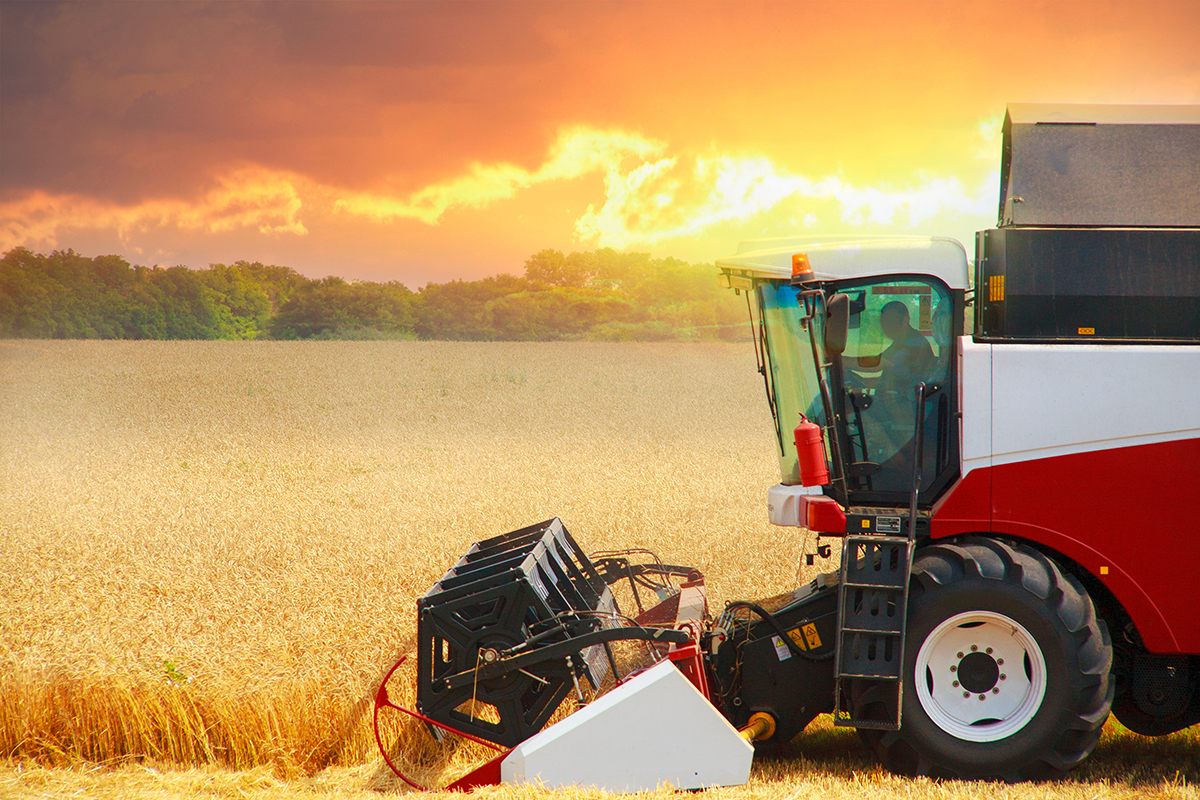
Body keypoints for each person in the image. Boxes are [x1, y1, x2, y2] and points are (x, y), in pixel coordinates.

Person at [876, 301, 936, 397]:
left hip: (910, 405)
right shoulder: (902, 340)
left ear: (905, 320)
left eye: (889, 321)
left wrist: (843, 361)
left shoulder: (913, 343)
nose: (885, 326)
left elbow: (877, 364)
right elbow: (892, 380)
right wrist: (862, 381)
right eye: (883, 322)